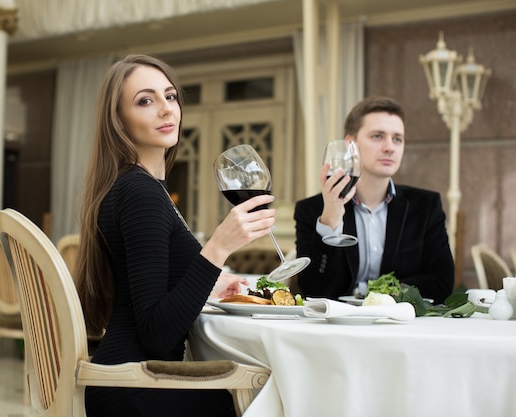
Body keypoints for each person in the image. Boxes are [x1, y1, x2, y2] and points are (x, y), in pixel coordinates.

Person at [75, 54, 277, 417]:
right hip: (137, 386)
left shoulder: (137, 188)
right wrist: (218, 247)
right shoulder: (139, 193)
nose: (167, 110)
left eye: (170, 96)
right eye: (145, 101)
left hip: (129, 379)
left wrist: (207, 282)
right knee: (277, 393)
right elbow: (155, 332)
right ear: (118, 120)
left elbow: (146, 293)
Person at [294, 96, 454, 304]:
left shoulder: (426, 206)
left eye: (397, 139)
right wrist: (330, 222)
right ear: (350, 144)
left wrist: (378, 294)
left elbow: (442, 282)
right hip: (338, 327)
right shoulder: (311, 210)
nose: (390, 147)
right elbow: (313, 290)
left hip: (400, 325)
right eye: (377, 136)